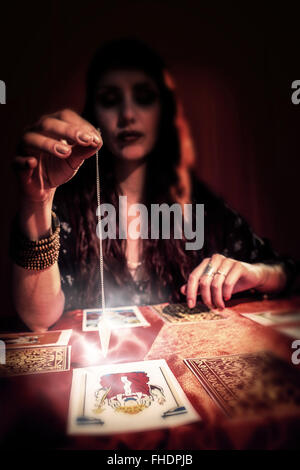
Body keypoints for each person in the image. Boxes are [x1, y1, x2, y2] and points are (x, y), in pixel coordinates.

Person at [11, 39, 296, 332]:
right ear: (93, 113)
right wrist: (38, 200)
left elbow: (287, 272)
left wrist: (255, 273)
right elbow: (38, 318)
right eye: (110, 99)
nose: (127, 115)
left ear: (163, 110)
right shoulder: (66, 204)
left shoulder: (200, 206)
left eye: (144, 97)